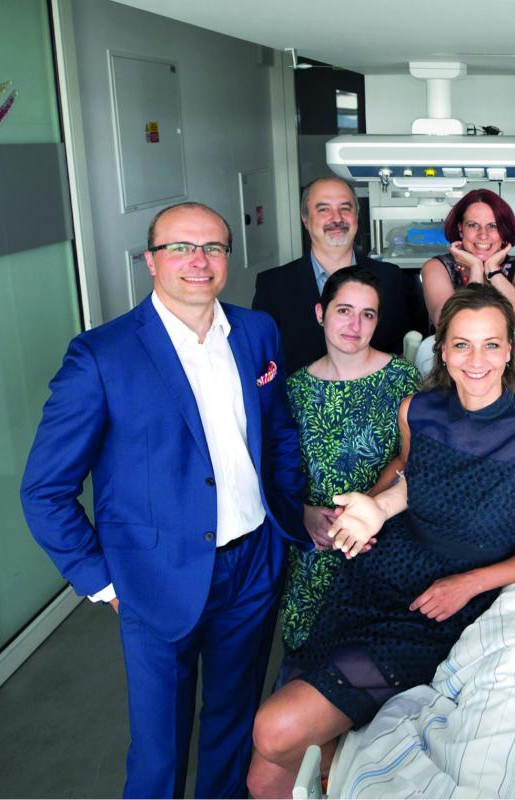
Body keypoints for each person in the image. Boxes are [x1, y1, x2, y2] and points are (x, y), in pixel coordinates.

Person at [20, 202, 308, 799]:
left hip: (253, 564)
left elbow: (278, 431)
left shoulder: (256, 331)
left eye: (212, 248)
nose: (198, 261)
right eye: (180, 247)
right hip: (153, 577)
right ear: (151, 261)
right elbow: (45, 491)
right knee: (159, 749)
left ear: (227, 257)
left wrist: (284, 512)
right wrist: (104, 583)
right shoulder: (101, 356)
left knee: (233, 722)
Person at [246, 284, 515, 798]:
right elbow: (405, 469)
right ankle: (336, 758)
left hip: (438, 609)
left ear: (510, 350)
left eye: (491, 344)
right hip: (371, 579)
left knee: (274, 732)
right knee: (262, 778)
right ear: (442, 351)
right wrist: (370, 509)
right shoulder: (416, 410)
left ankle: (342, 765)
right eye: (462, 344)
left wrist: (470, 584)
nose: (477, 360)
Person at [278, 266, 420, 654]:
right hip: (316, 544)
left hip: (381, 540)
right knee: (305, 654)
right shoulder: (295, 389)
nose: (355, 325)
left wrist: (364, 509)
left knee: (373, 657)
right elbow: (279, 469)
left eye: (367, 314)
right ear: (320, 313)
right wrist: (303, 513)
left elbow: (412, 460)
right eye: (344, 310)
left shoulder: (402, 378)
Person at [253, 176, 424, 375]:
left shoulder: (391, 278)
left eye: (345, 208)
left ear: (357, 217)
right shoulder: (273, 286)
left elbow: (405, 350)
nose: (336, 218)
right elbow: (263, 363)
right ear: (305, 219)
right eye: (323, 209)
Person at [421, 188, 515, 328]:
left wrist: (493, 271)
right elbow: (451, 327)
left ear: (504, 231)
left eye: (493, 226)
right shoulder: (436, 267)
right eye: (473, 225)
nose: (483, 235)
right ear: (460, 229)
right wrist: (476, 269)